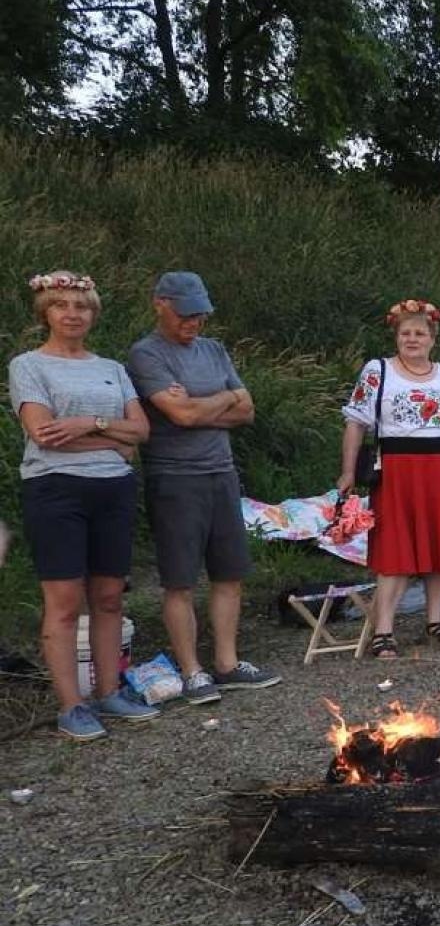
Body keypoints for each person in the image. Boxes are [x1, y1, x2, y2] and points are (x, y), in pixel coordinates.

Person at [9, 270, 156, 740]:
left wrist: (86, 423)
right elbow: (44, 434)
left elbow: (142, 433)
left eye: (81, 307)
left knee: (110, 596)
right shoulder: (28, 365)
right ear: (45, 312)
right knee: (66, 601)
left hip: (113, 489)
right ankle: (72, 704)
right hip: (55, 490)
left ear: (93, 313)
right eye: (61, 306)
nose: (72, 314)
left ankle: (109, 690)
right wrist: (110, 437)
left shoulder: (112, 368)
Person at [127, 271, 282, 702]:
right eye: (185, 313)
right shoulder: (146, 354)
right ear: (161, 303)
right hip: (174, 476)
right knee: (180, 579)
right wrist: (222, 399)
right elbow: (183, 417)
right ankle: (193, 670)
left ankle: (227, 663)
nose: (194, 322)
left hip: (221, 470)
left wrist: (202, 404)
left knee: (230, 572)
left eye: (200, 314)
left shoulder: (213, 350)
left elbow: (247, 409)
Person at [336, 299, 440, 657]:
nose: (412, 339)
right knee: (395, 549)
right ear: (396, 337)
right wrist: (347, 470)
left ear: (433, 338)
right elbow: (355, 423)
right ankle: (383, 629)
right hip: (399, 471)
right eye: (406, 333)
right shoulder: (378, 371)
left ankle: (434, 621)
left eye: (420, 333)